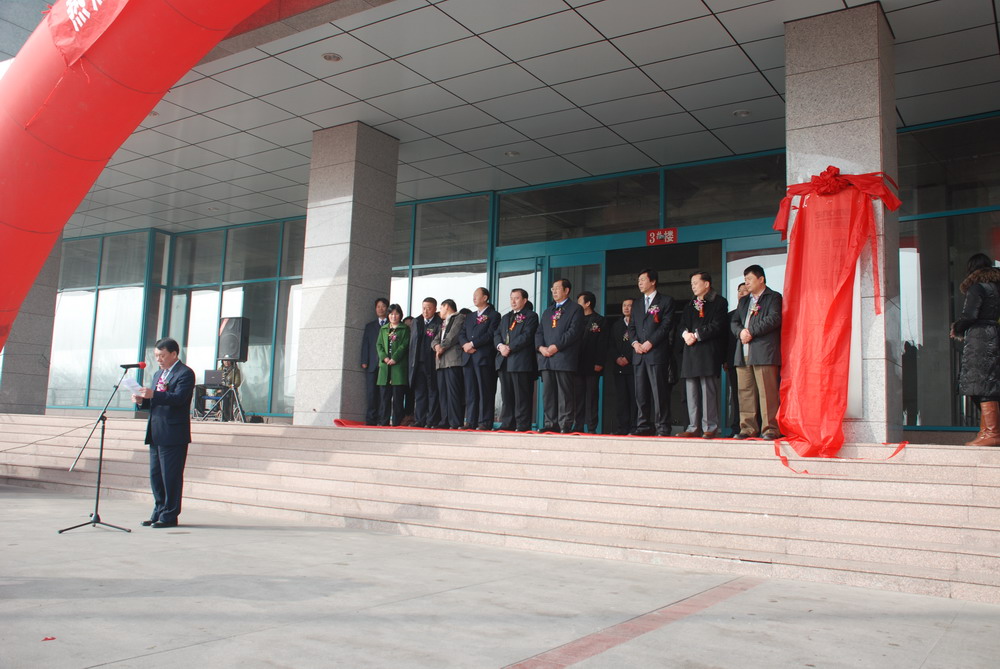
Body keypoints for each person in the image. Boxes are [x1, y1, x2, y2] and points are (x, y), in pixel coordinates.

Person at [131, 337, 194, 528]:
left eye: (162, 355)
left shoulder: (185, 373)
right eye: (156, 355)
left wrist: (154, 394)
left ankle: (169, 515)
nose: (158, 359)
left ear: (174, 354)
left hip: (173, 433)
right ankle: (158, 511)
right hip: (156, 431)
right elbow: (155, 401)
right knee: (156, 475)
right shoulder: (158, 374)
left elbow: (179, 398)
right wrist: (142, 401)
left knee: (171, 476)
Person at [951, 253, 1000, 446]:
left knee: (980, 386)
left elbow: (970, 315)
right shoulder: (996, 288)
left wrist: (957, 328)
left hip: (981, 339)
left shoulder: (977, 288)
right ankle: (985, 432)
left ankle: (992, 433)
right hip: (995, 335)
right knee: (988, 385)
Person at [730, 265, 782, 440]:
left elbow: (774, 318)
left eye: (750, 279)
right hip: (743, 352)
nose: (747, 283)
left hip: (763, 352)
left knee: (767, 392)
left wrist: (751, 331)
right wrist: (740, 333)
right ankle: (747, 428)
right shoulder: (744, 301)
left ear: (761, 279)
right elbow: (734, 322)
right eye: (745, 280)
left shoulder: (773, 297)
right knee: (745, 392)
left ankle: (770, 428)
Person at [677, 271, 728, 439]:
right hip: (690, 351)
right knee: (691, 391)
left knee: (708, 390)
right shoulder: (690, 304)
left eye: (695, 283)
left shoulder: (719, 302)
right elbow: (682, 324)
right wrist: (685, 334)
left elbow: (718, 325)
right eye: (691, 283)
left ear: (707, 284)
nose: (692, 286)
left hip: (707, 351)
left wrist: (697, 335)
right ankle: (693, 427)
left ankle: (710, 426)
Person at [630, 269, 674, 436]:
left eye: (643, 279)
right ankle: (643, 426)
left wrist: (650, 342)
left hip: (656, 353)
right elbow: (631, 326)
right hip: (639, 354)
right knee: (640, 393)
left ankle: (662, 426)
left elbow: (666, 326)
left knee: (659, 392)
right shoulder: (637, 304)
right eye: (638, 280)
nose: (639, 283)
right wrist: (635, 343)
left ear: (653, 281)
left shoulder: (666, 301)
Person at [536, 278, 583, 433]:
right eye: (552, 289)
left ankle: (565, 424)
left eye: (557, 288)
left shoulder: (575, 309)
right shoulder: (548, 311)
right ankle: (550, 423)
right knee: (548, 394)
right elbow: (539, 332)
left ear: (566, 290)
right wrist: (541, 347)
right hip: (546, 358)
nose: (554, 291)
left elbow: (573, 331)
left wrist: (556, 346)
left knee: (565, 393)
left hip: (564, 357)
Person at [495, 288, 539, 432]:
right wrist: (501, 346)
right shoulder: (506, 317)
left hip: (520, 361)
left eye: (517, 298)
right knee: (506, 395)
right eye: (511, 298)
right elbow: (497, 334)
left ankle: (522, 425)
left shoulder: (531, 316)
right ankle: (507, 423)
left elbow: (527, 336)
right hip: (504, 361)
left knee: (521, 396)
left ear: (524, 300)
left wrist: (510, 347)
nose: (513, 301)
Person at [459, 287, 501, 430]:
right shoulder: (470, 316)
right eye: (473, 295)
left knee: (485, 391)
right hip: (468, 357)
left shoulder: (494, 315)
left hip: (483, 357)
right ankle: (471, 421)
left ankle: (485, 422)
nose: (474, 298)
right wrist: (465, 345)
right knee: (470, 391)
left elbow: (490, 334)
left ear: (485, 298)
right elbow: (462, 333)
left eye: (477, 295)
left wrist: (472, 344)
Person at [574, 291, 606, 433]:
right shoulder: (576, 319)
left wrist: (600, 362)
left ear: (587, 303)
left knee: (592, 397)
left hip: (593, 364)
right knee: (578, 397)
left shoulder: (600, 320)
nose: (577, 305)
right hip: (577, 364)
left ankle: (592, 427)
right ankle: (578, 426)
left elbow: (603, 343)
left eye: (580, 302)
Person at [408, 298, 442, 428]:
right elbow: (412, 344)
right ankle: (419, 420)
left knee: (432, 391)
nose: (425, 311)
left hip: (432, 362)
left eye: (428, 308)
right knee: (420, 393)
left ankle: (431, 420)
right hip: (418, 363)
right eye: (423, 308)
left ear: (435, 309)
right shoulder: (417, 321)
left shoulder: (438, 322)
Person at [434, 299, 467, 429]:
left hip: (453, 361)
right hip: (441, 362)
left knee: (453, 392)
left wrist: (441, 347)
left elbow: (453, 336)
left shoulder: (459, 318)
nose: (440, 311)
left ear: (446, 306)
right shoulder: (443, 322)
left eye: (441, 308)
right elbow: (435, 339)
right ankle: (445, 420)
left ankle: (455, 421)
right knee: (443, 393)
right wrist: (436, 346)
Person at [376, 304, 410, 426]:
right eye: (391, 314)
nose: (393, 316)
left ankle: (396, 422)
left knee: (398, 398)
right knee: (384, 398)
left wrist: (395, 358)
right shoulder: (384, 329)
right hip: (385, 367)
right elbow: (379, 345)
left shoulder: (405, 329)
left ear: (400, 315)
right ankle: (384, 422)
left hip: (398, 366)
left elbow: (404, 345)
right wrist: (384, 357)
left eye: (396, 314)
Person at [609, 298, 637, 435]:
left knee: (634, 398)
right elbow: (611, 344)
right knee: (621, 399)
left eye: (629, 305)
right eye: (624, 305)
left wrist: (628, 358)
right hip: (619, 366)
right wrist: (617, 358)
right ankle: (622, 428)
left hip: (633, 367)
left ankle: (634, 427)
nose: (626, 308)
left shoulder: (637, 322)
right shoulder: (616, 325)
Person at [725, 282, 750, 434]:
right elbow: (725, 341)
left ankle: (754, 427)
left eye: (745, 290)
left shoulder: (753, 313)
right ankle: (736, 426)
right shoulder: (731, 316)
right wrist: (725, 360)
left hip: (752, 358)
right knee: (736, 395)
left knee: (752, 395)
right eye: (739, 291)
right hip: (734, 360)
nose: (741, 293)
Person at [360, 297, 389, 425]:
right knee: (371, 393)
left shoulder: (391, 324)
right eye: (378, 307)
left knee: (384, 393)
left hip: (386, 365)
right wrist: (364, 360)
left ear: (387, 308)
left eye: (383, 306)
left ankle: (382, 419)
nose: (380, 309)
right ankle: (371, 419)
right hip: (372, 364)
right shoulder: (370, 326)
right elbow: (365, 344)